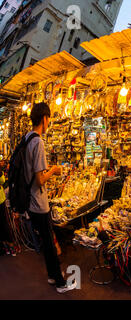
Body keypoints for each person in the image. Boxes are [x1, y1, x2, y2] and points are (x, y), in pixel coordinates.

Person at [25, 102, 77, 293]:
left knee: (47, 241)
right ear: (45, 119)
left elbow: (32, 173)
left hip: (30, 201)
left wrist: (45, 172)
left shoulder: (27, 138)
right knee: (49, 242)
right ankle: (60, 282)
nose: (49, 124)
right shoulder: (38, 141)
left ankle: (52, 276)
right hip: (39, 202)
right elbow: (39, 180)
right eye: (49, 120)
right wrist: (53, 170)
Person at [0, 161, 15, 256]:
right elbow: (2, 181)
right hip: (0, 200)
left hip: (1, 200)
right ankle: (9, 246)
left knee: (3, 224)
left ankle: (7, 246)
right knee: (4, 223)